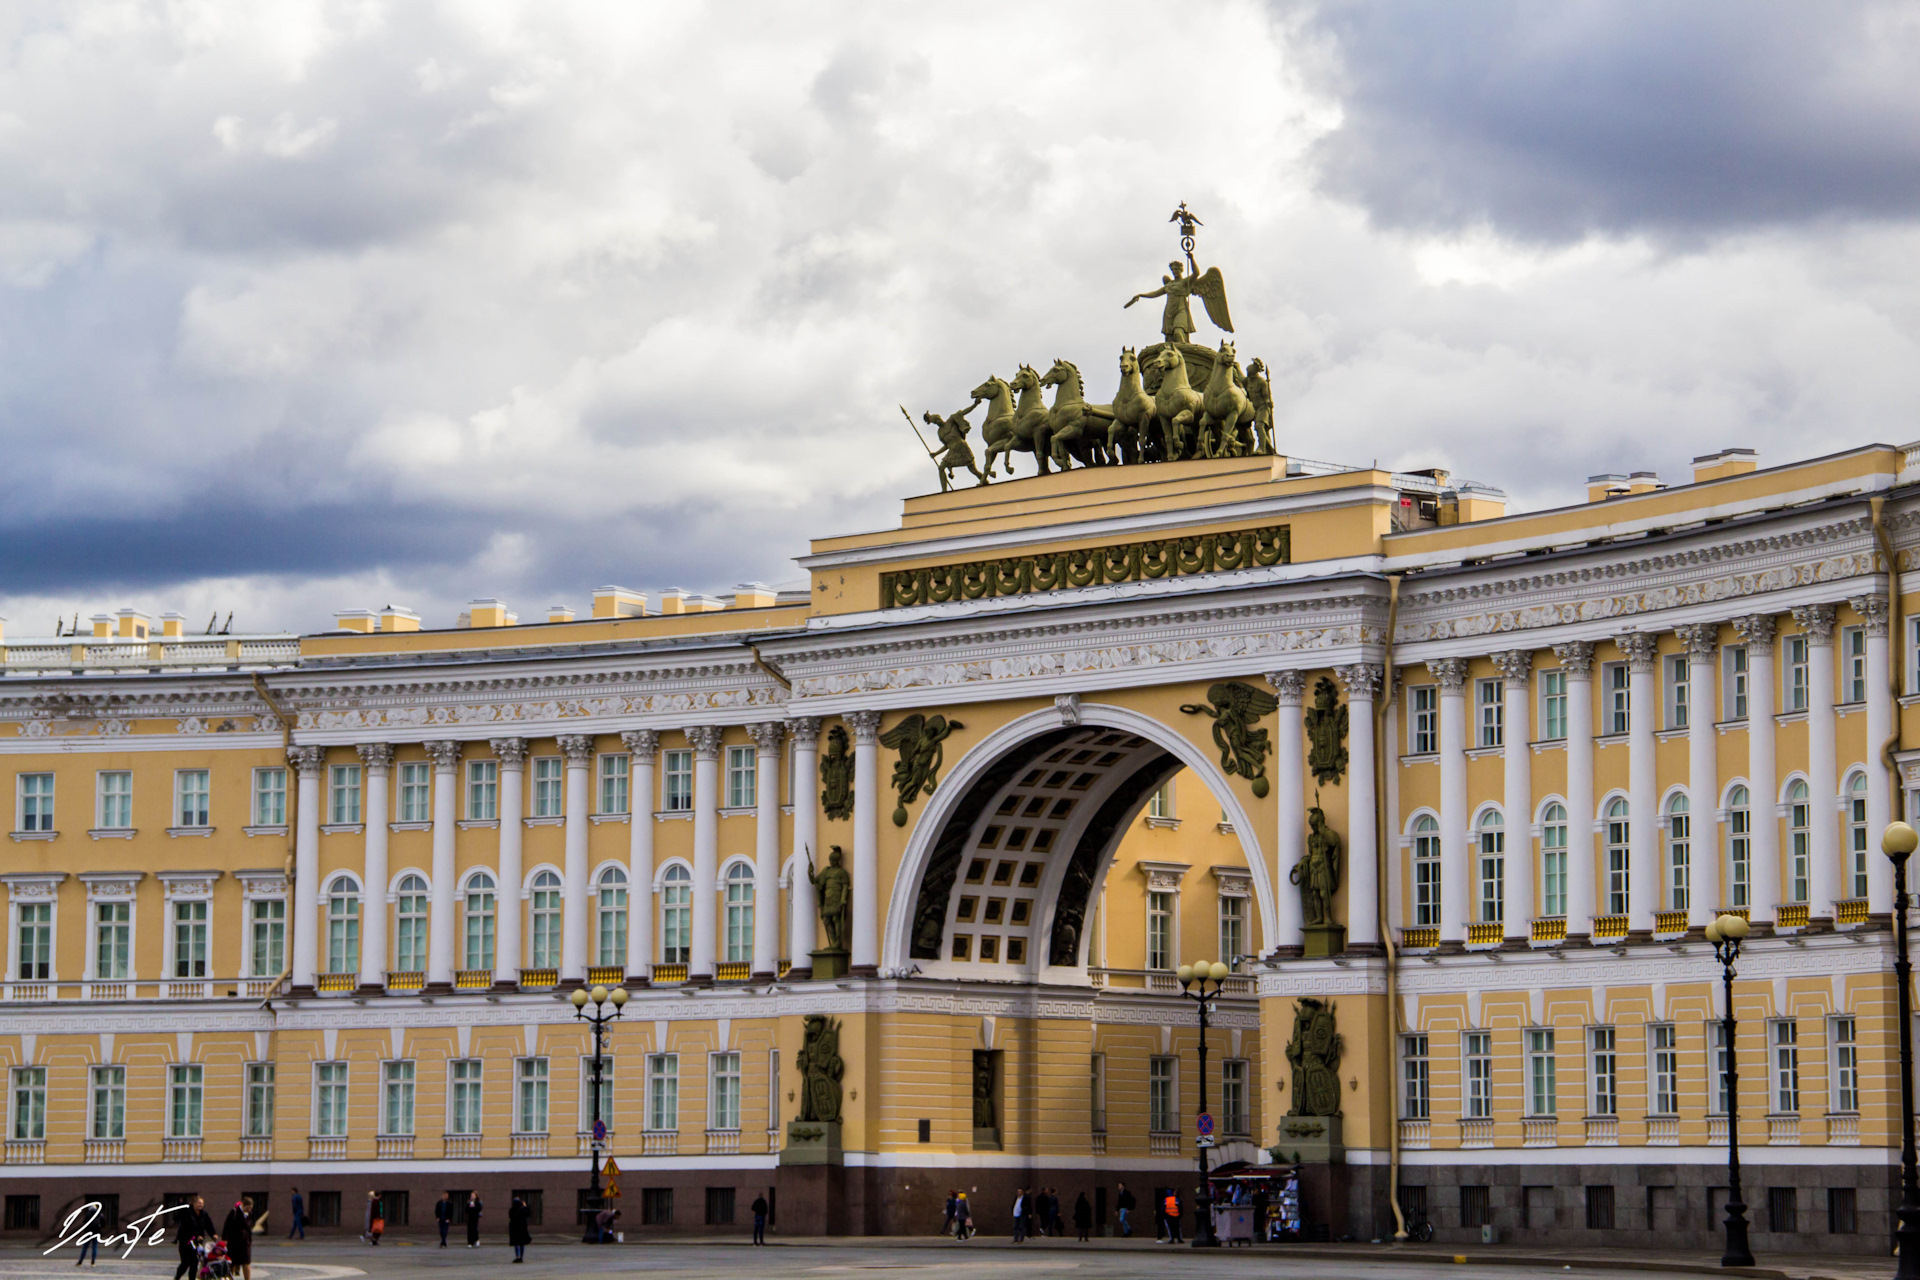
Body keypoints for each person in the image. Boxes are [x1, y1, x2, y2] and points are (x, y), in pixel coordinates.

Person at [173, 1196, 214, 1280]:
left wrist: (213, 1234)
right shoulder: (187, 1213)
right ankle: (177, 1277)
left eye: (202, 1203)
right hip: (186, 1241)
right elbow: (186, 1227)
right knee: (185, 1263)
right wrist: (195, 1236)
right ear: (194, 1203)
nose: (200, 1205)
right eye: (199, 1203)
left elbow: (208, 1225)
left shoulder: (203, 1214)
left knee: (194, 1263)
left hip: (197, 1243)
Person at [222, 1198, 254, 1280]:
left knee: (247, 1262)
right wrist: (224, 1239)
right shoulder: (234, 1212)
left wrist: (250, 1239)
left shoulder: (249, 1213)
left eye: (250, 1208)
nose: (249, 1209)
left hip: (245, 1241)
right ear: (243, 1205)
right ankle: (230, 1278)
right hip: (234, 1241)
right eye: (248, 1207)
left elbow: (249, 1227)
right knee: (232, 1262)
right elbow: (227, 1225)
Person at [507, 1195, 530, 1264]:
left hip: (514, 1229)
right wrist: (525, 1206)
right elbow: (528, 1213)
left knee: (516, 1243)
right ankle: (521, 1257)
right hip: (522, 1229)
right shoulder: (522, 1209)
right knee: (521, 1243)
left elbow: (510, 1217)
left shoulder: (512, 1210)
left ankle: (517, 1256)